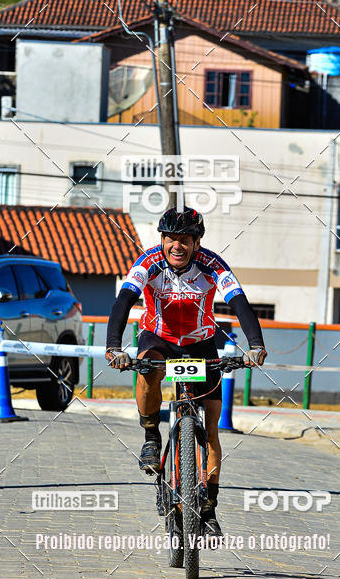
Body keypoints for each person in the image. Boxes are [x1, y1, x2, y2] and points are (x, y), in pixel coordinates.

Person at [105, 205, 267, 537]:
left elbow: (239, 303)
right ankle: (151, 435)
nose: (176, 246)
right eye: (170, 238)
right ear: (162, 240)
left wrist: (255, 345)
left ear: (197, 243)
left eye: (185, 240)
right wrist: (113, 347)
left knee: (212, 431)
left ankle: (209, 510)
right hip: (159, 338)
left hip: (200, 343)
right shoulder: (148, 262)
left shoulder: (213, 265)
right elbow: (123, 301)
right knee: (147, 368)